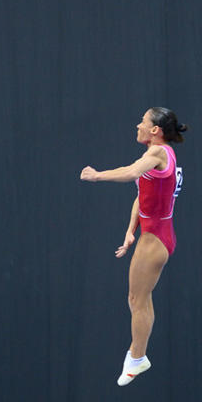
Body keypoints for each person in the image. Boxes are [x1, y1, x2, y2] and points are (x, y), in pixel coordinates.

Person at [80, 107, 187, 385]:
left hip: (156, 239)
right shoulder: (160, 155)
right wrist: (130, 230)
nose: (137, 125)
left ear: (155, 130)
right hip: (155, 233)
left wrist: (97, 175)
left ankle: (137, 358)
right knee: (139, 297)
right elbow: (142, 195)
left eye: (142, 122)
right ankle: (138, 356)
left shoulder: (157, 154)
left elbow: (130, 173)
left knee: (137, 299)